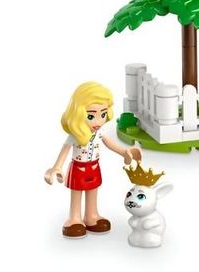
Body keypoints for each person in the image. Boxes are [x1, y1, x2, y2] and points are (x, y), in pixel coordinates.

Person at [44, 82, 141, 238]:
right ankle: (74, 218)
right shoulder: (75, 135)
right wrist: (56, 167)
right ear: (78, 114)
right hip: (78, 168)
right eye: (91, 116)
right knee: (76, 193)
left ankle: (91, 216)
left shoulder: (98, 134)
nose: (98, 121)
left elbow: (110, 144)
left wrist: (124, 152)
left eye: (103, 114)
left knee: (93, 191)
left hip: (94, 167)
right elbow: (64, 151)